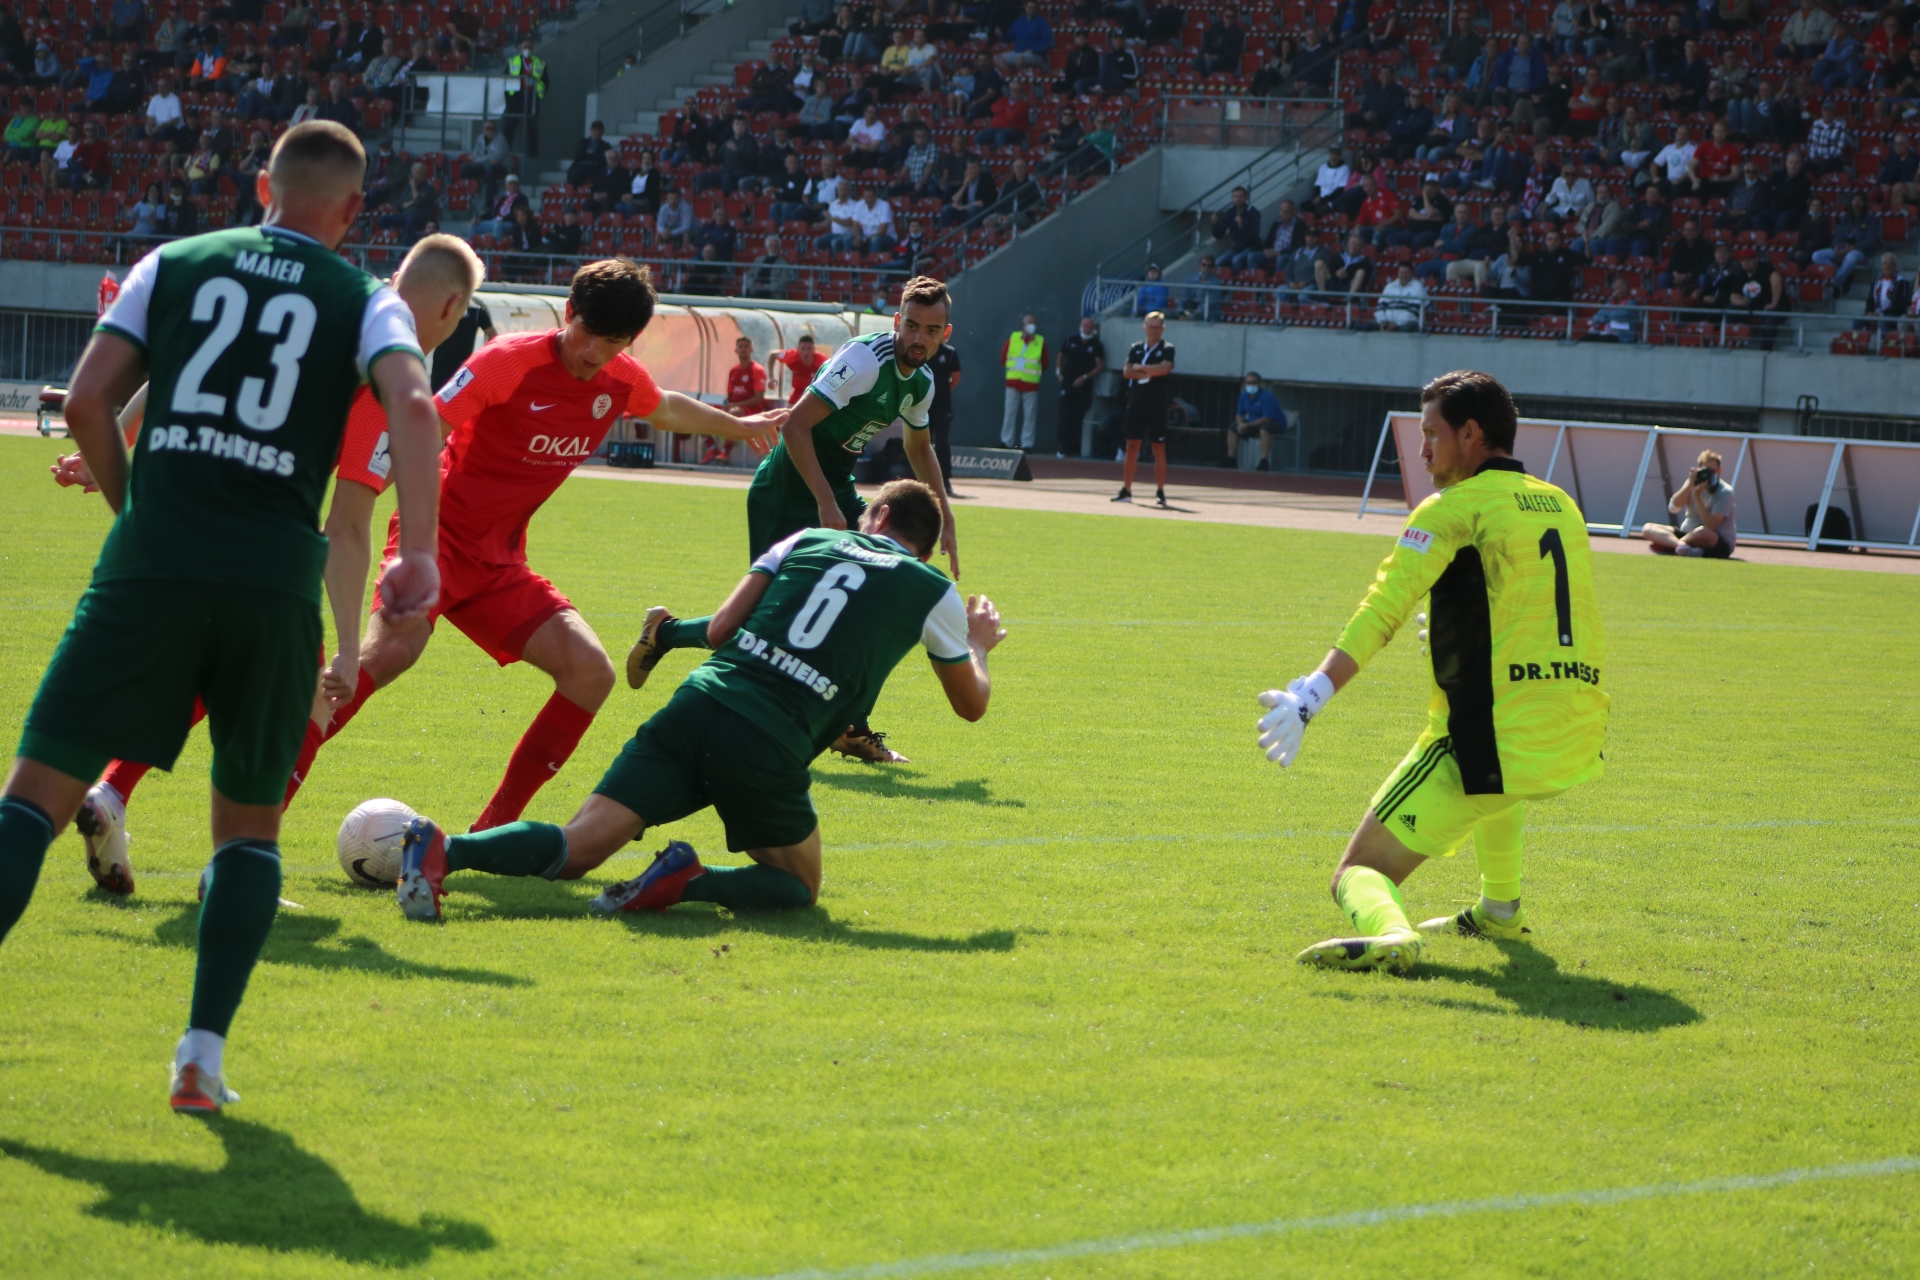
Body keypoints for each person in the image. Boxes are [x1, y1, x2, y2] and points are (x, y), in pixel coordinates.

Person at [0, 121, 445, 1113]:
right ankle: (200, 1058)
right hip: (273, 586)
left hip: (148, 568)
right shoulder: (366, 298)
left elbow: (87, 402)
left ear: (261, 188)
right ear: (352, 210)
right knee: (246, 829)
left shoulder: (175, 261)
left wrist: (137, 509)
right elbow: (414, 408)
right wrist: (418, 551)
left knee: (30, 800)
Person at [297, 260, 785, 836]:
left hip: (500, 563)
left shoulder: (620, 379)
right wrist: (362, 494)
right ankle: (265, 802)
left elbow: (666, 408)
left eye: (614, 342)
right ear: (569, 313)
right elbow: (426, 425)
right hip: (436, 540)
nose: (595, 352)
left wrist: (741, 425)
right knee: (387, 656)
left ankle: (486, 836)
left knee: (590, 673)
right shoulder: (507, 362)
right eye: (588, 333)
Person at [56, 237, 486, 889]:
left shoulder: (316, 297)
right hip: (261, 539)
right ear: (452, 308)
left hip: (177, 514)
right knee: (312, 696)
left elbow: (180, 358)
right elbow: (347, 525)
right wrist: (350, 647)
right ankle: (233, 869)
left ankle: (112, 793)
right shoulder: (389, 367)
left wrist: (113, 442)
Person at [391, 480, 1005, 923]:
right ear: (925, 550)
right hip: (770, 740)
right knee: (797, 886)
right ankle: (686, 881)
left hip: (698, 704)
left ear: (879, 514)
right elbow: (971, 705)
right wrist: (976, 645)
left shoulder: (807, 540)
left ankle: (446, 847)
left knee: (578, 849)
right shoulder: (932, 588)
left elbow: (719, 631)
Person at [1261, 371, 1608, 974]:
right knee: (1500, 787)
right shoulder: (1562, 504)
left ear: (1470, 434)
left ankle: (1392, 934)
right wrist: (1459, 633)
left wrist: (1311, 695)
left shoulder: (1453, 508)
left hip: (1492, 737)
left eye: (1430, 434)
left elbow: (1384, 608)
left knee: (1356, 872)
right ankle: (1500, 910)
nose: (1421, 451)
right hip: (1578, 730)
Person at [628, 277, 963, 766]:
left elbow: (918, 447)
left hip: (836, 490)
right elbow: (797, 425)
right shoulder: (865, 360)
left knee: (871, 600)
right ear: (897, 321)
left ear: (944, 334)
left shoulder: (923, 383)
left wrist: (945, 514)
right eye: (911, 325)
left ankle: (852, 729)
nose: (919, 338)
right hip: (785, 493)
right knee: (756, 628)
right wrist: (825, 504)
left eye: (930, 330)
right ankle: (665, 632)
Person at [1114, 311, 1173, 508]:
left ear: (1163, 329)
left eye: (1157, 328)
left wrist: (1141, 368)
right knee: (1132, 446)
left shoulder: (1167, 348)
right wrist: (1151, 371)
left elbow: (1165, 369)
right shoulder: (1136, 348)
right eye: (1151, 327)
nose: (1154, 331)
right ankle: (1127, 489)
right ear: (1145, 328)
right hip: (1136, 403)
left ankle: (1160, 491)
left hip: (1157, 405)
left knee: (1158, 448)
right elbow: (1127, 372)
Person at [1641, 449, 1736, 557]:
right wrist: (1689, 485)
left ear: (1719, 471)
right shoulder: (1692, 484)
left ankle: (1671, 545)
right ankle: (1681, 547)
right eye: (1706, 471)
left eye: (1712, 472)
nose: (1709, 475)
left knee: (1704, 532)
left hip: (1715, 541)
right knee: (1648, 528)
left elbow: (1711, 525)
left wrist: (1697, 496)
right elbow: (1673, 508)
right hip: (1687, 533)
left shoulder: (1725, 492)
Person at [708, 335, 769, 464]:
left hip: (752, 409)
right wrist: (725, 404)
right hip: (735, 406)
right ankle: (712, 448)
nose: (743, 349)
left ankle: (726, 451)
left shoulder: (757, 370)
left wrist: (733, 405)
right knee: (704, 409)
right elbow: (730, 395)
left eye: (746, 346)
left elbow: (759, 398)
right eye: (740, 346)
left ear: (752, 350)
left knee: (734, 412)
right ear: (736, 350)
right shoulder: (733, 371)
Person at [1055, 315, 1102, 458]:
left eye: (1090, 327)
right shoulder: (1070, 340)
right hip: (1068, 382)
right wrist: (1059, 373)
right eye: (1085, 326)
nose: (1087, 329)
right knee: (1065, 416)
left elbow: (1100, 365)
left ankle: (1074, 448)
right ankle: (1062, 447)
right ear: (1080, 326)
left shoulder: (1096, 344)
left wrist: (1085, 377)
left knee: (1078, 417)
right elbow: (1060, 356)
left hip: (1084, 386)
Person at [430, 295, 496, 391]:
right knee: (438, 394)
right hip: (441, 362)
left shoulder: (476, 312)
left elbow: (493, 336)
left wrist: (480, 358)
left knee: (459, 395)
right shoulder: (443, 310)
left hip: (462, 363)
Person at [1000, 312, 1044, 451]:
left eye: (1034, 323)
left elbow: (1045, 363)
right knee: (1009, 414)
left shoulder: (1040, 341)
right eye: (1029, 323)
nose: (1032, 326)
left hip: (1031, 384)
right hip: (1013, 382)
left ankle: (1027, 444)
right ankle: (1006, 442)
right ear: (1023, 325)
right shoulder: (1013, 338)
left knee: (1030, 416)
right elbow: (1004, 358)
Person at [1224, 370, 1284, 470]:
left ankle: (1264, 461)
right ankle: (1231, 459)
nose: (1251, 385)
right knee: (1232, 427)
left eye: (1254, 382)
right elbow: (1239, 414)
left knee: (1264, 429)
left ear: (1260, 384)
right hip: (1253, 424)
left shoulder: (1267, 396)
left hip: (1274, 423)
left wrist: (1246, 425)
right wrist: (1240, 425)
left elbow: (1266, 419)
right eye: (1248, 382)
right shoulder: (1243, 396)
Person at [924, 336, 962, 493]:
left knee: (942, 442)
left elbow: (956, 378)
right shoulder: (922, 351)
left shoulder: (949, 353)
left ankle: (945, 480)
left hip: (942, 406)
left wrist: (942, 392)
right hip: (923, 406)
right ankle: (923, 480)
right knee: (923, 443)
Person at [774, 333, 827, 405]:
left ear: (814, 349)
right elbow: (773, 355)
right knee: (789, 411)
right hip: (798, 391)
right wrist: (771, 377)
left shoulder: (823, 361)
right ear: (798, 349)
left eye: (809, 348)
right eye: (803, 348)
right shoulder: (791, 356)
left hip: (815, 392)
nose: (806, 352)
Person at [1374, 262, 1429, 331]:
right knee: (1370, 326)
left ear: (1412, 273)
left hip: (1407, 324)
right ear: (1398, 273)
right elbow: (1380, 306)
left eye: (1407, 273)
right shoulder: (1390, 286)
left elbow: (1414, 311)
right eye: (1401, 272)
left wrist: (1396, 324)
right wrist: (1382, 322)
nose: (1404, 275)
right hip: (1387, 323)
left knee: (1405, 328)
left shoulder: (1418, 287)